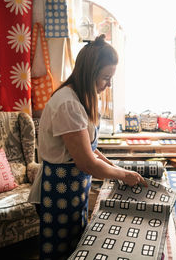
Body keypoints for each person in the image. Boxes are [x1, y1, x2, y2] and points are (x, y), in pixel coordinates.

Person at [28, 35, 147, 260]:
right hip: (57, 191)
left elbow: (90, 149)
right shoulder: (68, 104)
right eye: (105, 78)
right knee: (60, 252)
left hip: (74, 190)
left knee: (76, 247)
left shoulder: (83, 98)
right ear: (89, 73)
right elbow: (85, 162)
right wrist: (122, 175)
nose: (109, 84)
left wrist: (115, 167)